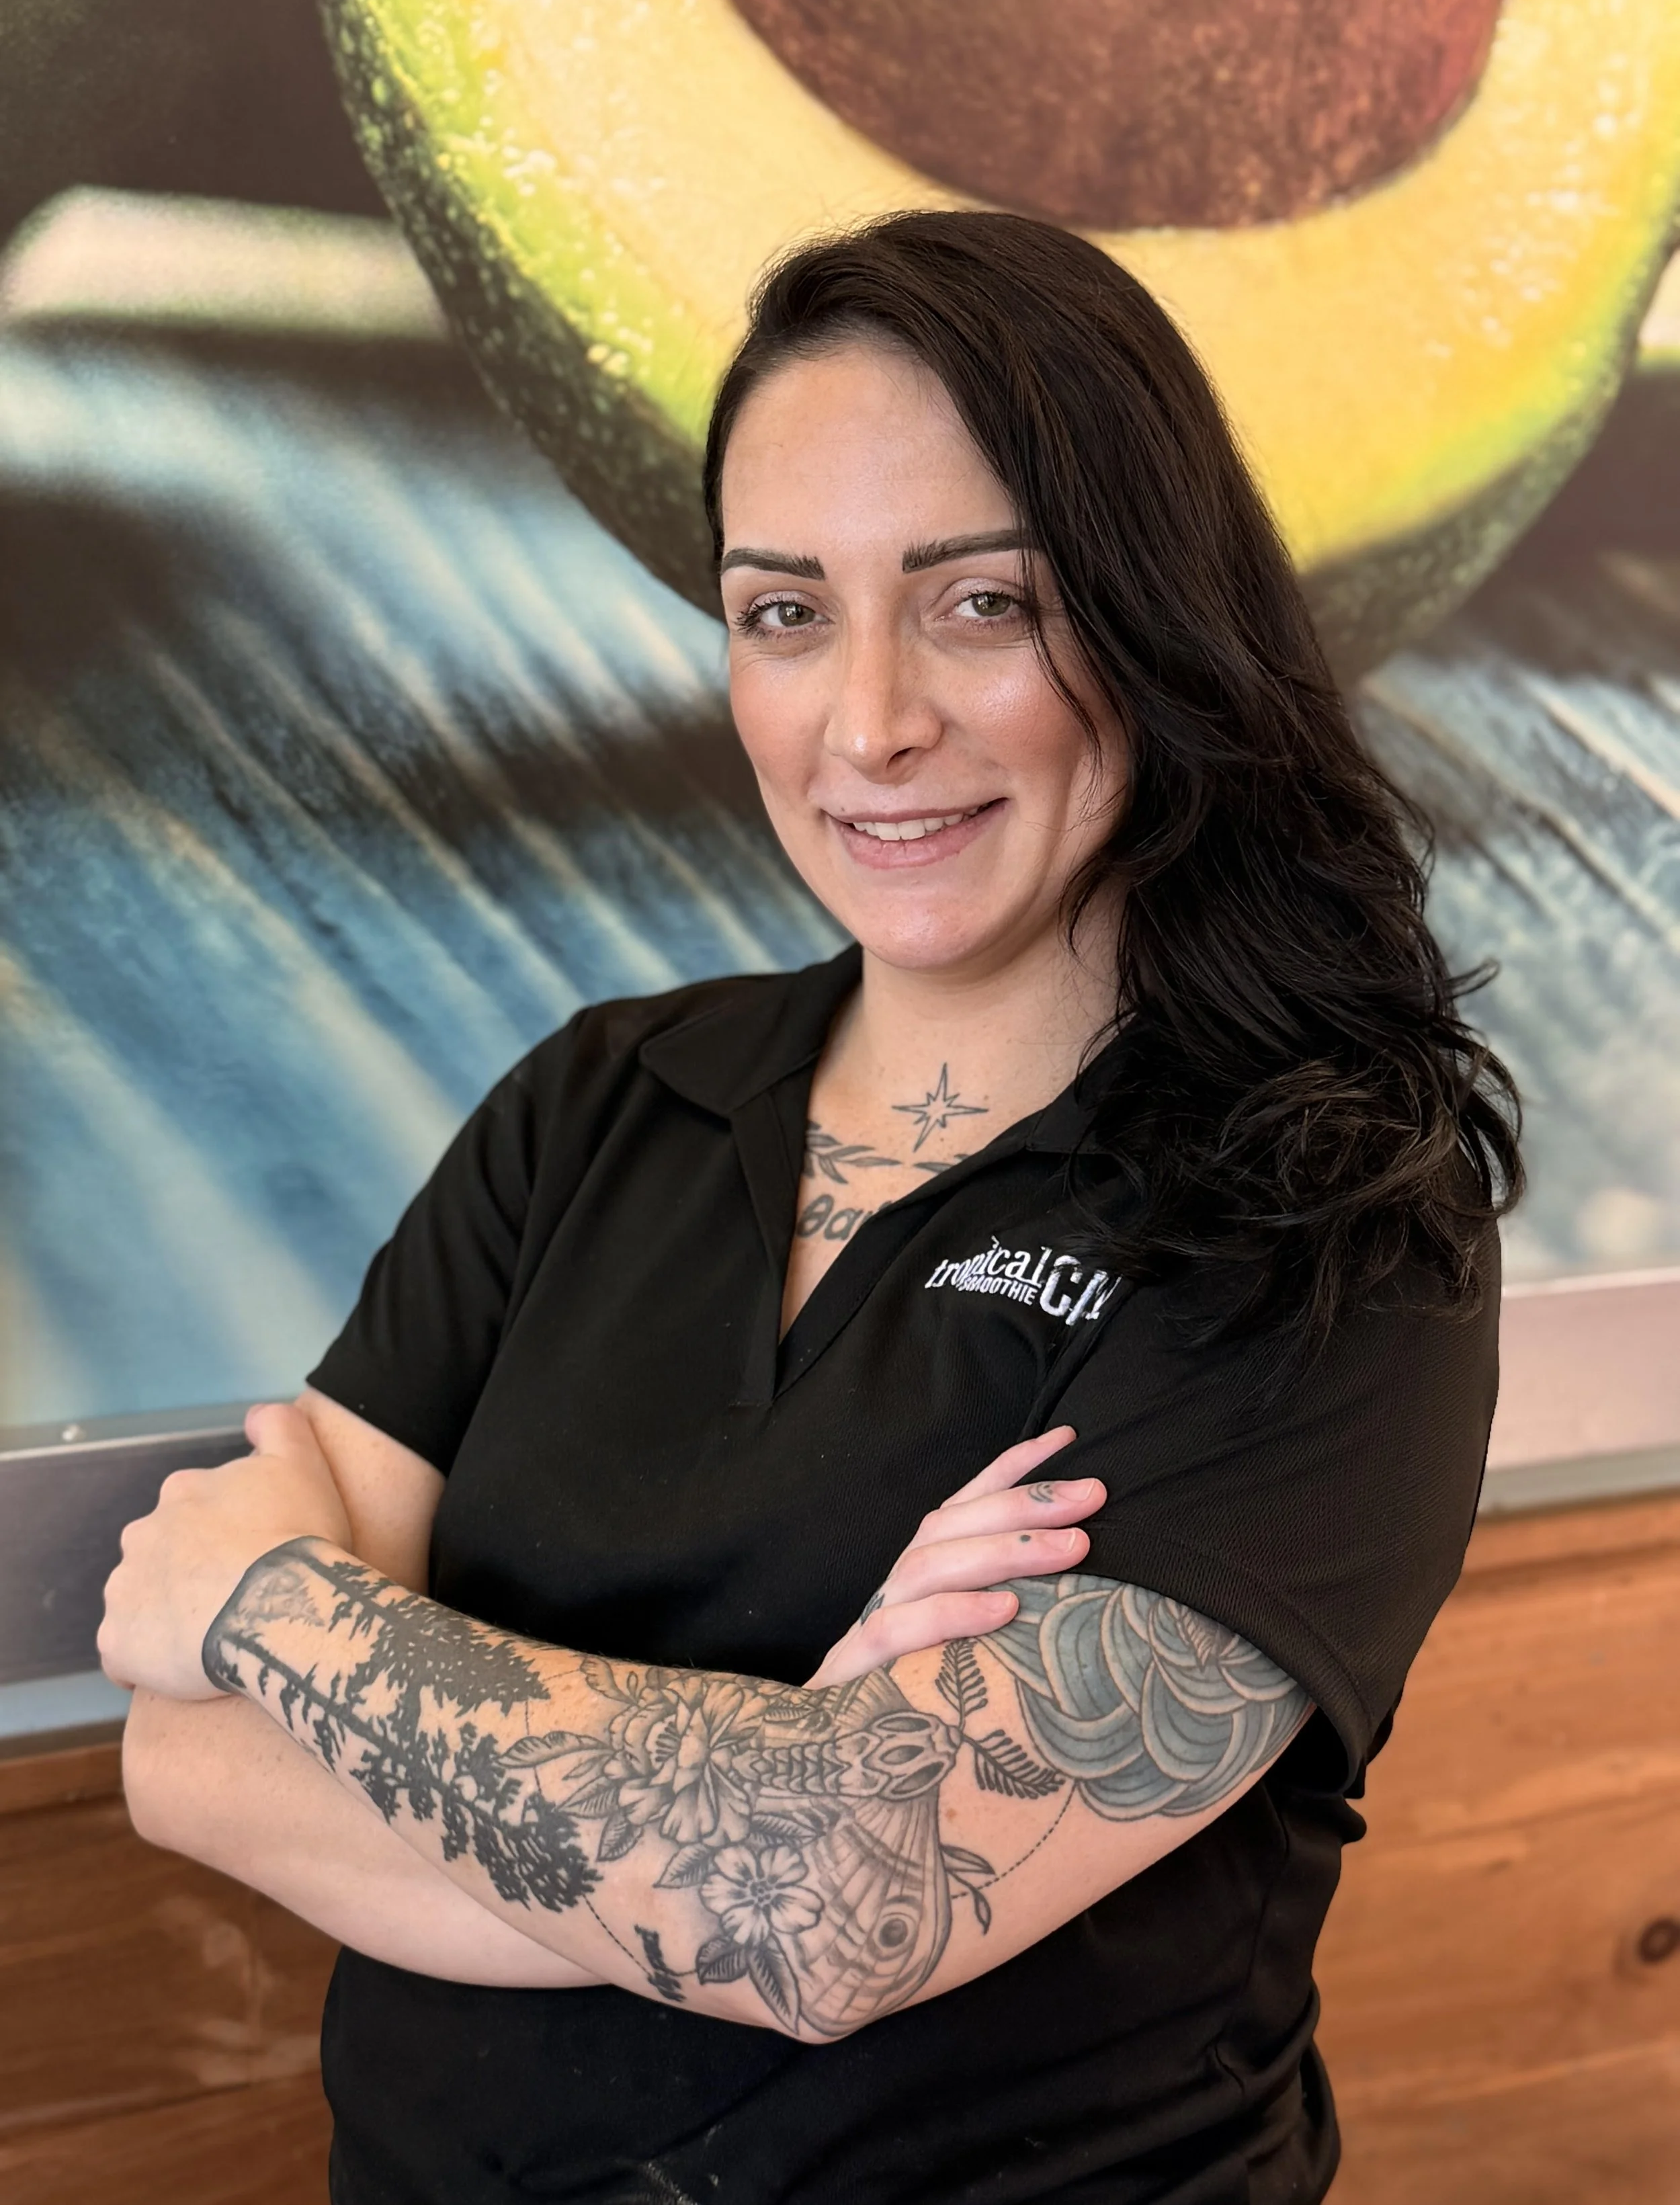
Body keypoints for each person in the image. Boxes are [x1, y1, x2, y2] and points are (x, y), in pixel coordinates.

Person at [102, 210, 1520, 2205]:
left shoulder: (1325, 1216)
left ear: (1155, 619)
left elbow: (826, 1904)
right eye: (783, 611)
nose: (865, 723)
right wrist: (761, 1788)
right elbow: (180, 1757)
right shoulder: (600, 1100)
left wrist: (279, 1612)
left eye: (980, 603)